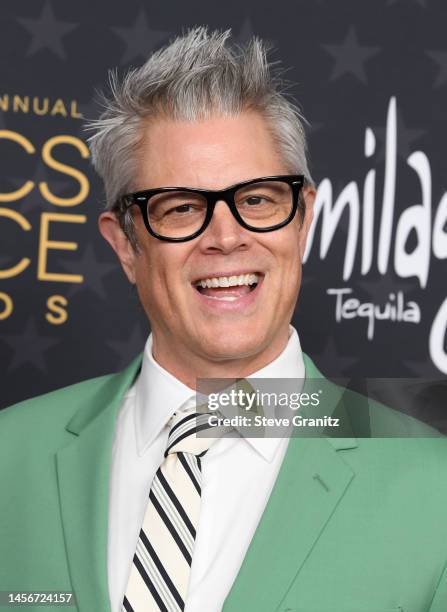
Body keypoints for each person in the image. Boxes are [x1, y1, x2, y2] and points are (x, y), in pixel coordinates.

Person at [1, 27, 447, 612]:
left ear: (303, 219)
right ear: (125, 245)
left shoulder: (432, 489)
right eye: (182, 207)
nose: (227, 237)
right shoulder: (11, 455)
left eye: (258, 199)